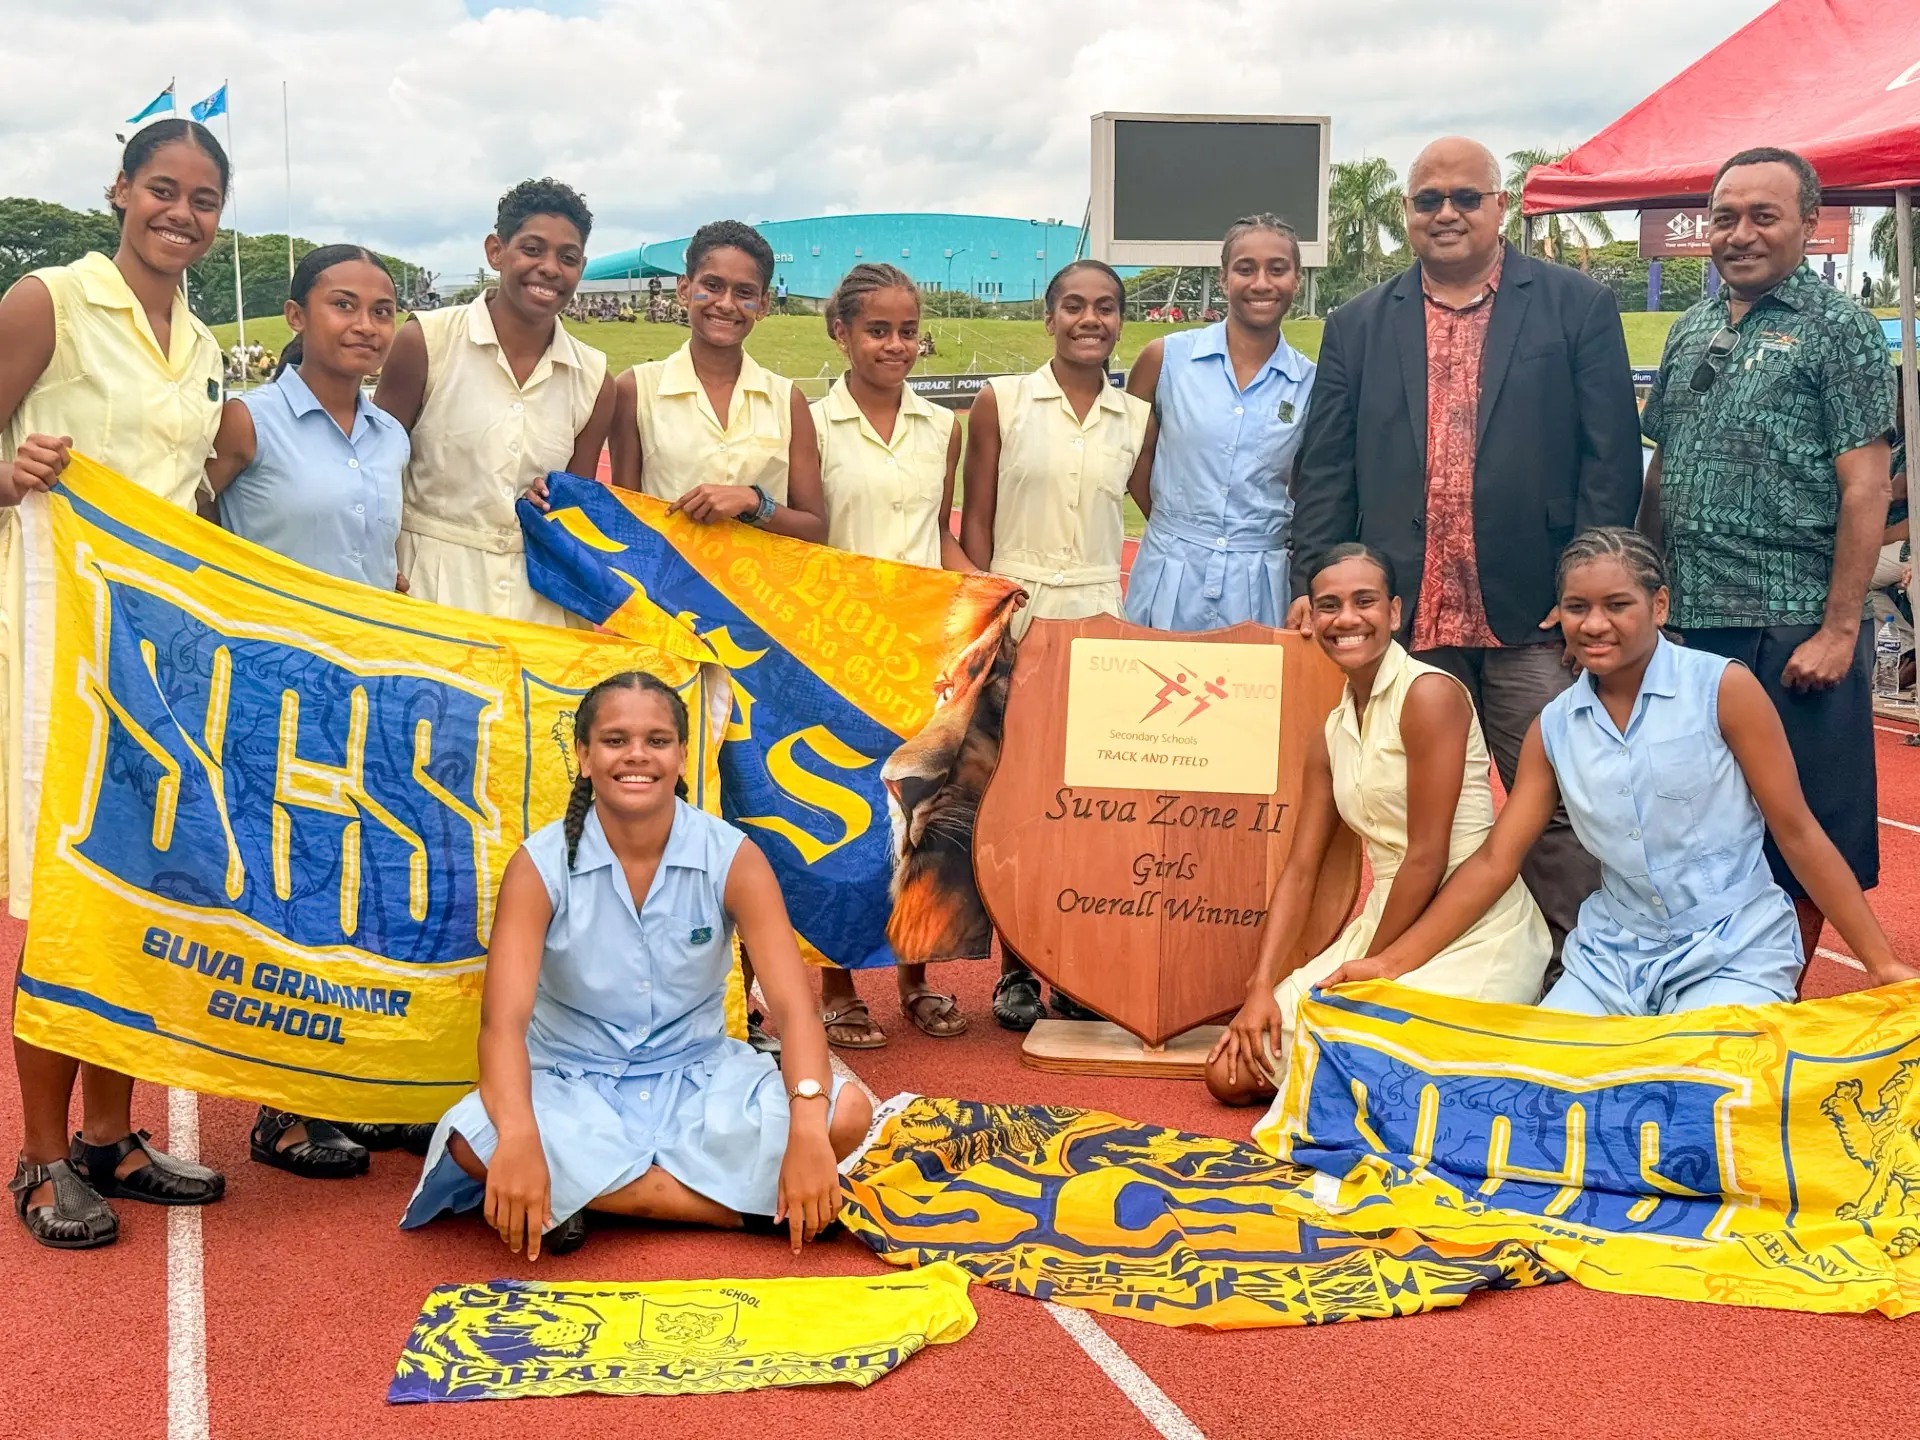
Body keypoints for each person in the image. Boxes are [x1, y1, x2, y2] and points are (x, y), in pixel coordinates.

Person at [1289, 135, 1644, 959]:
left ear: (1499, 206)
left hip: (1533, 615)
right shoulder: (1356, 325)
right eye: (1427, 200)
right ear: (1407, 217)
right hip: (1406, 620)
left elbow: (1610, 460)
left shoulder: (1575, 307)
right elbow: (1326, 469)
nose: (1446, 213)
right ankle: (1431, 971)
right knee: (1420, 812)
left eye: (1464, 198)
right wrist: (1318, 580)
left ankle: (1575, 969)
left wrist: (1585, 595)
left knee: (1557, 806)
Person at [400, 671, 872, 1257]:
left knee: (845, 1115)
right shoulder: (539, 867)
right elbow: (503, 1026)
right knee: (478, 1139)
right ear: (583, 756)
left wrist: (805, 1130)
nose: (637, 756)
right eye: (615, 740)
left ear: (681, 755)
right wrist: (521, 1135)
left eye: (657, 739)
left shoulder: (734, 858)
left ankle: (580, 1199)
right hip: (572, 1085)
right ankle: (740, 1214)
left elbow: (798, 1014)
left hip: (700, 1083)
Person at [1356, 527, 1918, 1013]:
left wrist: (1881, 963)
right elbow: (1495, 861)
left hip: (1731, 948)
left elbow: (1798, 833)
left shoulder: (1723, 689)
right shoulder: (1552, 728)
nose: (1595, 624)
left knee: (1690, 1089)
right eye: (1577, 607)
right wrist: (1388, 963)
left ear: (1660, 606)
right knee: (1546, 1090)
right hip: (1610, 958)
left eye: (1617, 604)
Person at [0, 120, 232, 1248]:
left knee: (130, 901)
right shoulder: (47, 298)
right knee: (60, 910)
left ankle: (109, 1136)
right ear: (121, 191)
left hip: (160, 657)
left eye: (201, 200)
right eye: (162, 191)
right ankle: (41, 1160)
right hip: (55, 645)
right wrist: (8, 473)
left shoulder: (197, 335)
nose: (180, 214)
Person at [1638, 147, 1895, 966]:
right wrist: (1642, 591)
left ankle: (1777, 996)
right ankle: (1702, 980)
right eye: (1724, 217)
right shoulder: (1693, 326)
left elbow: (1866, 486)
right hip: (1691, 628)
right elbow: (1662, 466)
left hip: (1791, 627)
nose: (1739, 234)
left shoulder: (1840, 329)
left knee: (1806, 825)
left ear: (1808, 226)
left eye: (1763, 216)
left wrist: (1840, 630)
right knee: (1700, 821)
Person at [202, 244, 424, 1179]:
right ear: (297, 316)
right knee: (279, 891)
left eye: (382, 310)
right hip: (267, 694)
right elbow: (184, 524)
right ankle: (281, 1109)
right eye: (343, 305)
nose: (365, 325)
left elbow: (380, 560)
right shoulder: (248, 422)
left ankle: (339, 1094)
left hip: (363, 697)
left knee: (349, 892)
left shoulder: (389, 437)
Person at [1205, 545, 1549, 1108]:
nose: (1346, 619)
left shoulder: (1429, 694)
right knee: (1231, 1073)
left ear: (1393, 612)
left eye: (1364, 602)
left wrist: (1374, 974)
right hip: (1383, 920)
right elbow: (1300, 871)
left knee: (1375, 1074)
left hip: (1466, 922)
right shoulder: (1332, 731)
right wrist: (1259, 987)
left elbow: (1427, 857)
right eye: (1328, 605)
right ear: (1310, 619)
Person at [960, 259, 1152, 1030]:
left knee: (1086, 807)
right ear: (1048, 318)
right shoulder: (999, 402)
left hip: (1101, 622)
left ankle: (1072, 968)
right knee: (1015, 801)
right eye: (1073, 305)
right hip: (1016, 615)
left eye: (1105, 308)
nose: (1090, 320)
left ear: (1118, 322)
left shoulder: (1135, 419)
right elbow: (974, 518)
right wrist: (986, 614)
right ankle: (1015, 968)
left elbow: (1157, 511)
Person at [808, 263, 972, 1049]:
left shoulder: (944, 428)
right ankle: (837, 986)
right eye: (878, 329)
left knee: (921, 821)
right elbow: (804, 532)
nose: (895, 344)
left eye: (908, 330)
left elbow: (938, 531)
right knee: (841, 822)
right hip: (835, 646)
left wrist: (986, 585)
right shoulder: (810, 423)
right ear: (840, 332)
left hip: (925, 651)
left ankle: (918, 978)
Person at [373, 178, 614, 625]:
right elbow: (376, 470)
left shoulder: (595, 378)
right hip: (428, 587)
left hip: (542, 604)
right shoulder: (427, 341)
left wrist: (552, 500)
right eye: (532, 249)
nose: (549, 268)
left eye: (568, 258)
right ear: (495, 251)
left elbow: (576, 514)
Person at [1125, 213, 1314, 631]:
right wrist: (1176, 526)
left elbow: (1306, 484)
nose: (1261, 283)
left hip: (1262, 581)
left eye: (1277, 269)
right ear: (1224, 278)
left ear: (1296, 280)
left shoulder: (1309, 382)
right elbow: (1135, 456)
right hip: (1170, 570)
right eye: (1245, 268)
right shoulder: (1165, 359)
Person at [610, 220, 826, 542]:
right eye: (712, 285)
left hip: (760, 589)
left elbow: (816, 529)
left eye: (744, 293)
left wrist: (754, 502)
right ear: (684, 289)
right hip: (666, 589)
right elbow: (624, 516)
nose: (725, 304)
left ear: (763, 304)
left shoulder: (786, 400)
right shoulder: (636, 390)